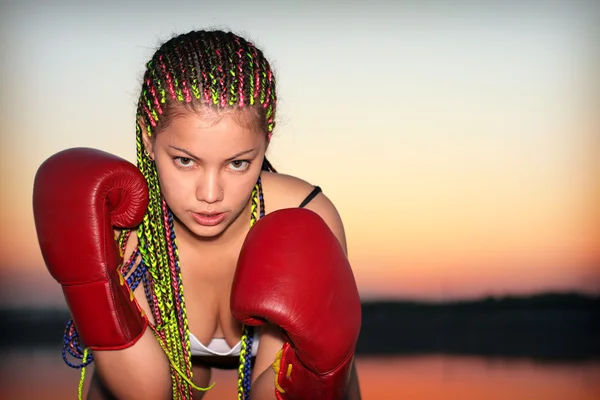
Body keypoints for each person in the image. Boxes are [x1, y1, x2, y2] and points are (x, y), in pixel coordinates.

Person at [32, 29, 362, 400]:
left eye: (238, 163)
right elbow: (145, 394)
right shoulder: (129, 227)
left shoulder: (306, 215)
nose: (210, 194)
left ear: (266, 141)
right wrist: (87, 288)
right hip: (161, 365)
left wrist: (317, 369)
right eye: (185, 160)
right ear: (147, 137)